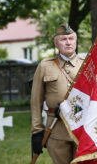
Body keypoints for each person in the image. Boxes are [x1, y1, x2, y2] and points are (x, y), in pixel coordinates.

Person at [30, 24, 84, 164]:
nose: (68, 42)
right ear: (56, 43)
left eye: (71, 38)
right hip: (56, 128)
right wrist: (37, 130)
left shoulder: (87, 65)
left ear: (76, 41)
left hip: (82, 127)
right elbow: (36, 101)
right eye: (63, 39)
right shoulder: (45, 66)